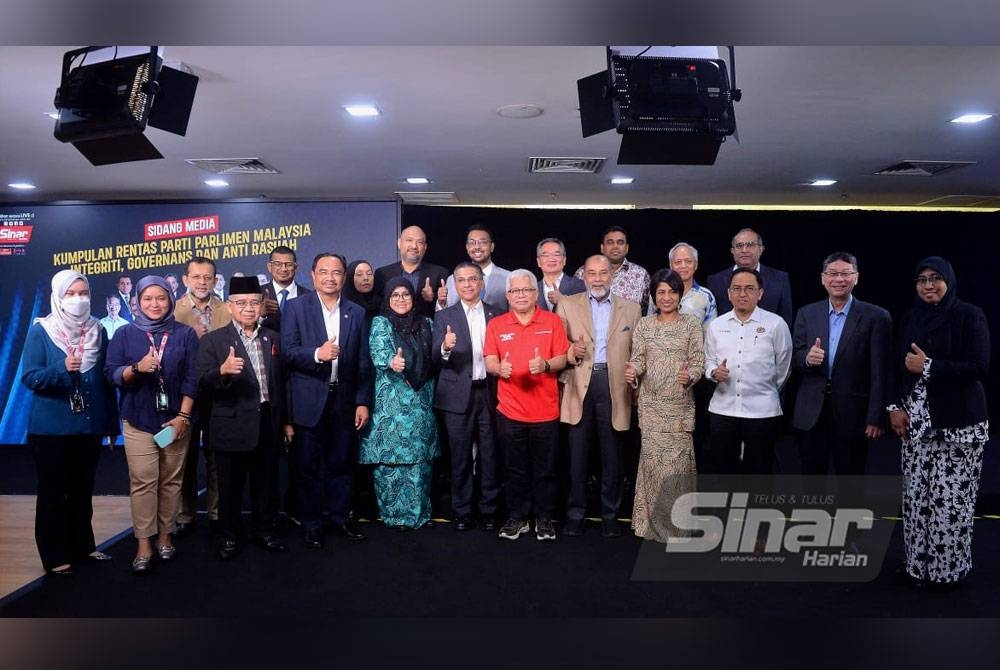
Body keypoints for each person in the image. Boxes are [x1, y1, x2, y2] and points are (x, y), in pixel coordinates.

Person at [888, 257, 990, 588]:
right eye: (922, 279)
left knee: (951, 504)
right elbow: (897, 367)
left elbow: (978, 366)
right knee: (917, 502)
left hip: (958, 427)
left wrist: (929, 366)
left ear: (948, 281)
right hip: (916, 428)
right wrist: (894, 407)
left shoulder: (968, 315)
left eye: (935, 278)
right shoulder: (910, 318)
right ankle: (918, 568)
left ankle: (947, 572)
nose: (928, 285)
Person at [21, 270, 120, 576]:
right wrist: (60, 369)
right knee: (53, 494)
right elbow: (30, 377)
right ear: (58, 296)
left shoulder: (98, 331)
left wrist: (110, 425)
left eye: (84, 293)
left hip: (87, 428)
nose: (79, 299)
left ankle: (83, 547)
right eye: (71, 294)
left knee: (81, 491)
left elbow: (104, 382)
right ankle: (53, 556)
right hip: (51, 430)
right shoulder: (42, 331)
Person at [105, 276, 199, 574]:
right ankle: (143, 543)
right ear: (138, 301)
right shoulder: (124, 334)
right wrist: (136, 369)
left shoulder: (184, 334)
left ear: (170, 299)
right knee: (144, 482)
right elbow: (111, 374)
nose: (155, 304)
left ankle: (165, 537)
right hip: (138, 421)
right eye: (148, 298)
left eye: (161, 298)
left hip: (174, 420)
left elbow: (192, 378)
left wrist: (184, 417)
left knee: (171, 481)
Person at [196, 275, 291, 560]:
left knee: (265, 485)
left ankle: (265, 532)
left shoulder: (271, 337)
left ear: (262, 305)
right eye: (241, 303)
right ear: (229, 305)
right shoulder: (214, 340)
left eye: (254, 302)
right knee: (230, 488)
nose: (248, 308)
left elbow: (281, 383)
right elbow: (201, 382)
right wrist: (221, 372)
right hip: (231, 425)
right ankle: (229, 536)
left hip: (266, 423)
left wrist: (285, 421)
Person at [281, 253, 372, 548]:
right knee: (307, 465)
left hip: (344, 401)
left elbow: (362, 362)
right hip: (308, 400)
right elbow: (288, 353)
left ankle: (339, 517)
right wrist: (318, 354)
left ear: (344, 277)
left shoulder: (356, 312)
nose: (330, 278)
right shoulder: (295, 308)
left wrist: (362, 401)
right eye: (324, 272)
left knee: (342, 463)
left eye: (336, 273)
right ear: (312, 275)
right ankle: (311, 522)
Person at [557, 255, 641, 538]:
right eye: (591, 273)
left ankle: (610, 516)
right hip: (579, 381)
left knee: (612, 456)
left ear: (611, 276)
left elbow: (638, 352)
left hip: (615, 385)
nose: (597, 278)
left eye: (603, 273)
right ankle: (575, 514)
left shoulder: (631, 309)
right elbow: (557, 346)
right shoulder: (567, 304)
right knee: (577, 457)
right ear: (584, 276)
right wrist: (571, 351)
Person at [485, 269, 569, 541]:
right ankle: (518, 518)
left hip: (545, 411)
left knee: (546, 470)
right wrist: (500, 369)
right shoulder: (497, 324)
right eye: (515, 291)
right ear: (508, 295)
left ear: (535, 294)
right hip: (510, 411)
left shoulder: (553, 321)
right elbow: (489, 360)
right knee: (513, 468)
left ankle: (544, 519)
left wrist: (545, 365)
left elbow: (562, 359)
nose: (520, 295)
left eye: (526, 290)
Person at [792, 252, 892, 475]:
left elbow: (880, 372)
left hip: (854, 413)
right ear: (823, 278)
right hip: (811, 412)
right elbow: (794, 357)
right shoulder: (807, 313)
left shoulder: (876, 317)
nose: (839, 279)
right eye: (833, 274)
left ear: (856, 277)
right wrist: (807, 359)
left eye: (845, 274)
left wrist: (875, 416)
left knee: (850, 480)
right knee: (811, 477)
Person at [626, 269, 704, 542]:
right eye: (661, 292)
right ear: (654, 295)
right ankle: (650, 525)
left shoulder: (691, 324)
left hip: (679, 409)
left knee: (677, 469)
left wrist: (690, 376)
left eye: (672, 291)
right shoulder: (645, 325)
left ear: (680, 295)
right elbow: (638, 359)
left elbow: (697, 362)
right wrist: (632, 371)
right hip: (651, 409)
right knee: (652, 468)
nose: (667, 297)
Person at [359, 278, 440, 530]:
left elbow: (436, 355)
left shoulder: (427, 323)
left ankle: (419, 515)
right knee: (391, 463)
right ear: (387, 299)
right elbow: (378, 353)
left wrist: (446, 349)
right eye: (395, 295)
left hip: (421, 402)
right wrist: (392, 362)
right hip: (391, 405)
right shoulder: (380, 322)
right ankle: (395, 517)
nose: (401, 299)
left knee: (419, 462)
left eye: (406, 294)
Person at [432, 262, 503, 531]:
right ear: (455, 285)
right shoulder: (443, 316)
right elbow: (434, 358)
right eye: (461, 280)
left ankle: (489, 510)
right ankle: (461, 511)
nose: (468, 285)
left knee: (490, 454)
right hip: (455, 395)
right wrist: (445, 348)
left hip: (490, 392)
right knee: (459, 455)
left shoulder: (497, 314)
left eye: (473, 279)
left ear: (481, 283)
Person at [704, 268, 792, 475]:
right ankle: (724, 509)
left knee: (759, 472)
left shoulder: (776, 324)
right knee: (723, 472)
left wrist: (762, 388)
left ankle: (757, 509)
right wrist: (714, 373)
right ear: (728, 293)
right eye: (737, 289)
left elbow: (784, 369)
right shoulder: (716, 326)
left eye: (749, 289)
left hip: (762, 411)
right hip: (723, 411)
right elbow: (708, 360)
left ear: (760, 293)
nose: (742, 294)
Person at [173, 256, 231, 537]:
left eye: (208, 277)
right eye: (196, 277)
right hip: (185, 394)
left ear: (215, 280)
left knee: (216, 456)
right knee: (184, 457)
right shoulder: (172, 311)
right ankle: (185, 514)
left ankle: (216, 512)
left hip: (218, 393)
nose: (202, 282)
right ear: (185, 280)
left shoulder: (227, 309)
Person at [707, 228, 793, 326]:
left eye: (750, 245)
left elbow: (786, 321)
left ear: (761, 249)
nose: (744, 250)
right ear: (732, 251)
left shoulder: (780, 279)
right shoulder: (715, 281)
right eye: (739, 246)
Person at [374, 225, 449, 319]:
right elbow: (377, 309)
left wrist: (433, 299)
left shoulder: (439, 273)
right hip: (390, 331)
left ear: (425, 247)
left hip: (428, 331)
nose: (414, 246)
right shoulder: (382, 274)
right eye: (409, 240)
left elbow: (447, 313)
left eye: (419, 242)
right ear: (399, 243)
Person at [573, 225, 650, 313]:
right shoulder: (582, 273)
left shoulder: (641, 275)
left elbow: (645, 311)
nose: (615, 246)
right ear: (602, 248)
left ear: (627, 248)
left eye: (620, 242)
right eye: (610, 242)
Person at [442, 224, 511, 312]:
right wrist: (441, 303)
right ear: (467, 247)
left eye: (482, 242)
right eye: (472, 242)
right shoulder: (453, 279)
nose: (477, 247)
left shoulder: (509, 278)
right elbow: (447, 314)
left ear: (492, 247)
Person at [653, 242, 717, 328]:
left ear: (696, 265)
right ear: (671, 265)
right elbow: (649, 328)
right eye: (678, 262)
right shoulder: (658, 293)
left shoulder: (706, 296)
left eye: (688, 261)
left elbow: (710, 335)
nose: (683, 266)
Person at [261, 246, 312, 332]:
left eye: (289, 264)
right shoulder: (257, 294)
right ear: (269, 267)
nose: (283, 269)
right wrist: (261, 315)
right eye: (277, 264)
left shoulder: (309, 297)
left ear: (296, 268)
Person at [535, 237, 585, 311]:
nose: (551, 259)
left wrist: (563, 301)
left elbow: (586, 313)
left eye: (556, 254)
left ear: (564, 260)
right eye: (546, 255)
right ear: (538, 262)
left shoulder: (580, 286)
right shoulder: (532, 289)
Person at [343, 259, 380, 323]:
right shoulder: (343, 307)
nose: (366, 278)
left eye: (369, 273)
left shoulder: (382, 304)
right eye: (359, 274)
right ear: (350, 278)